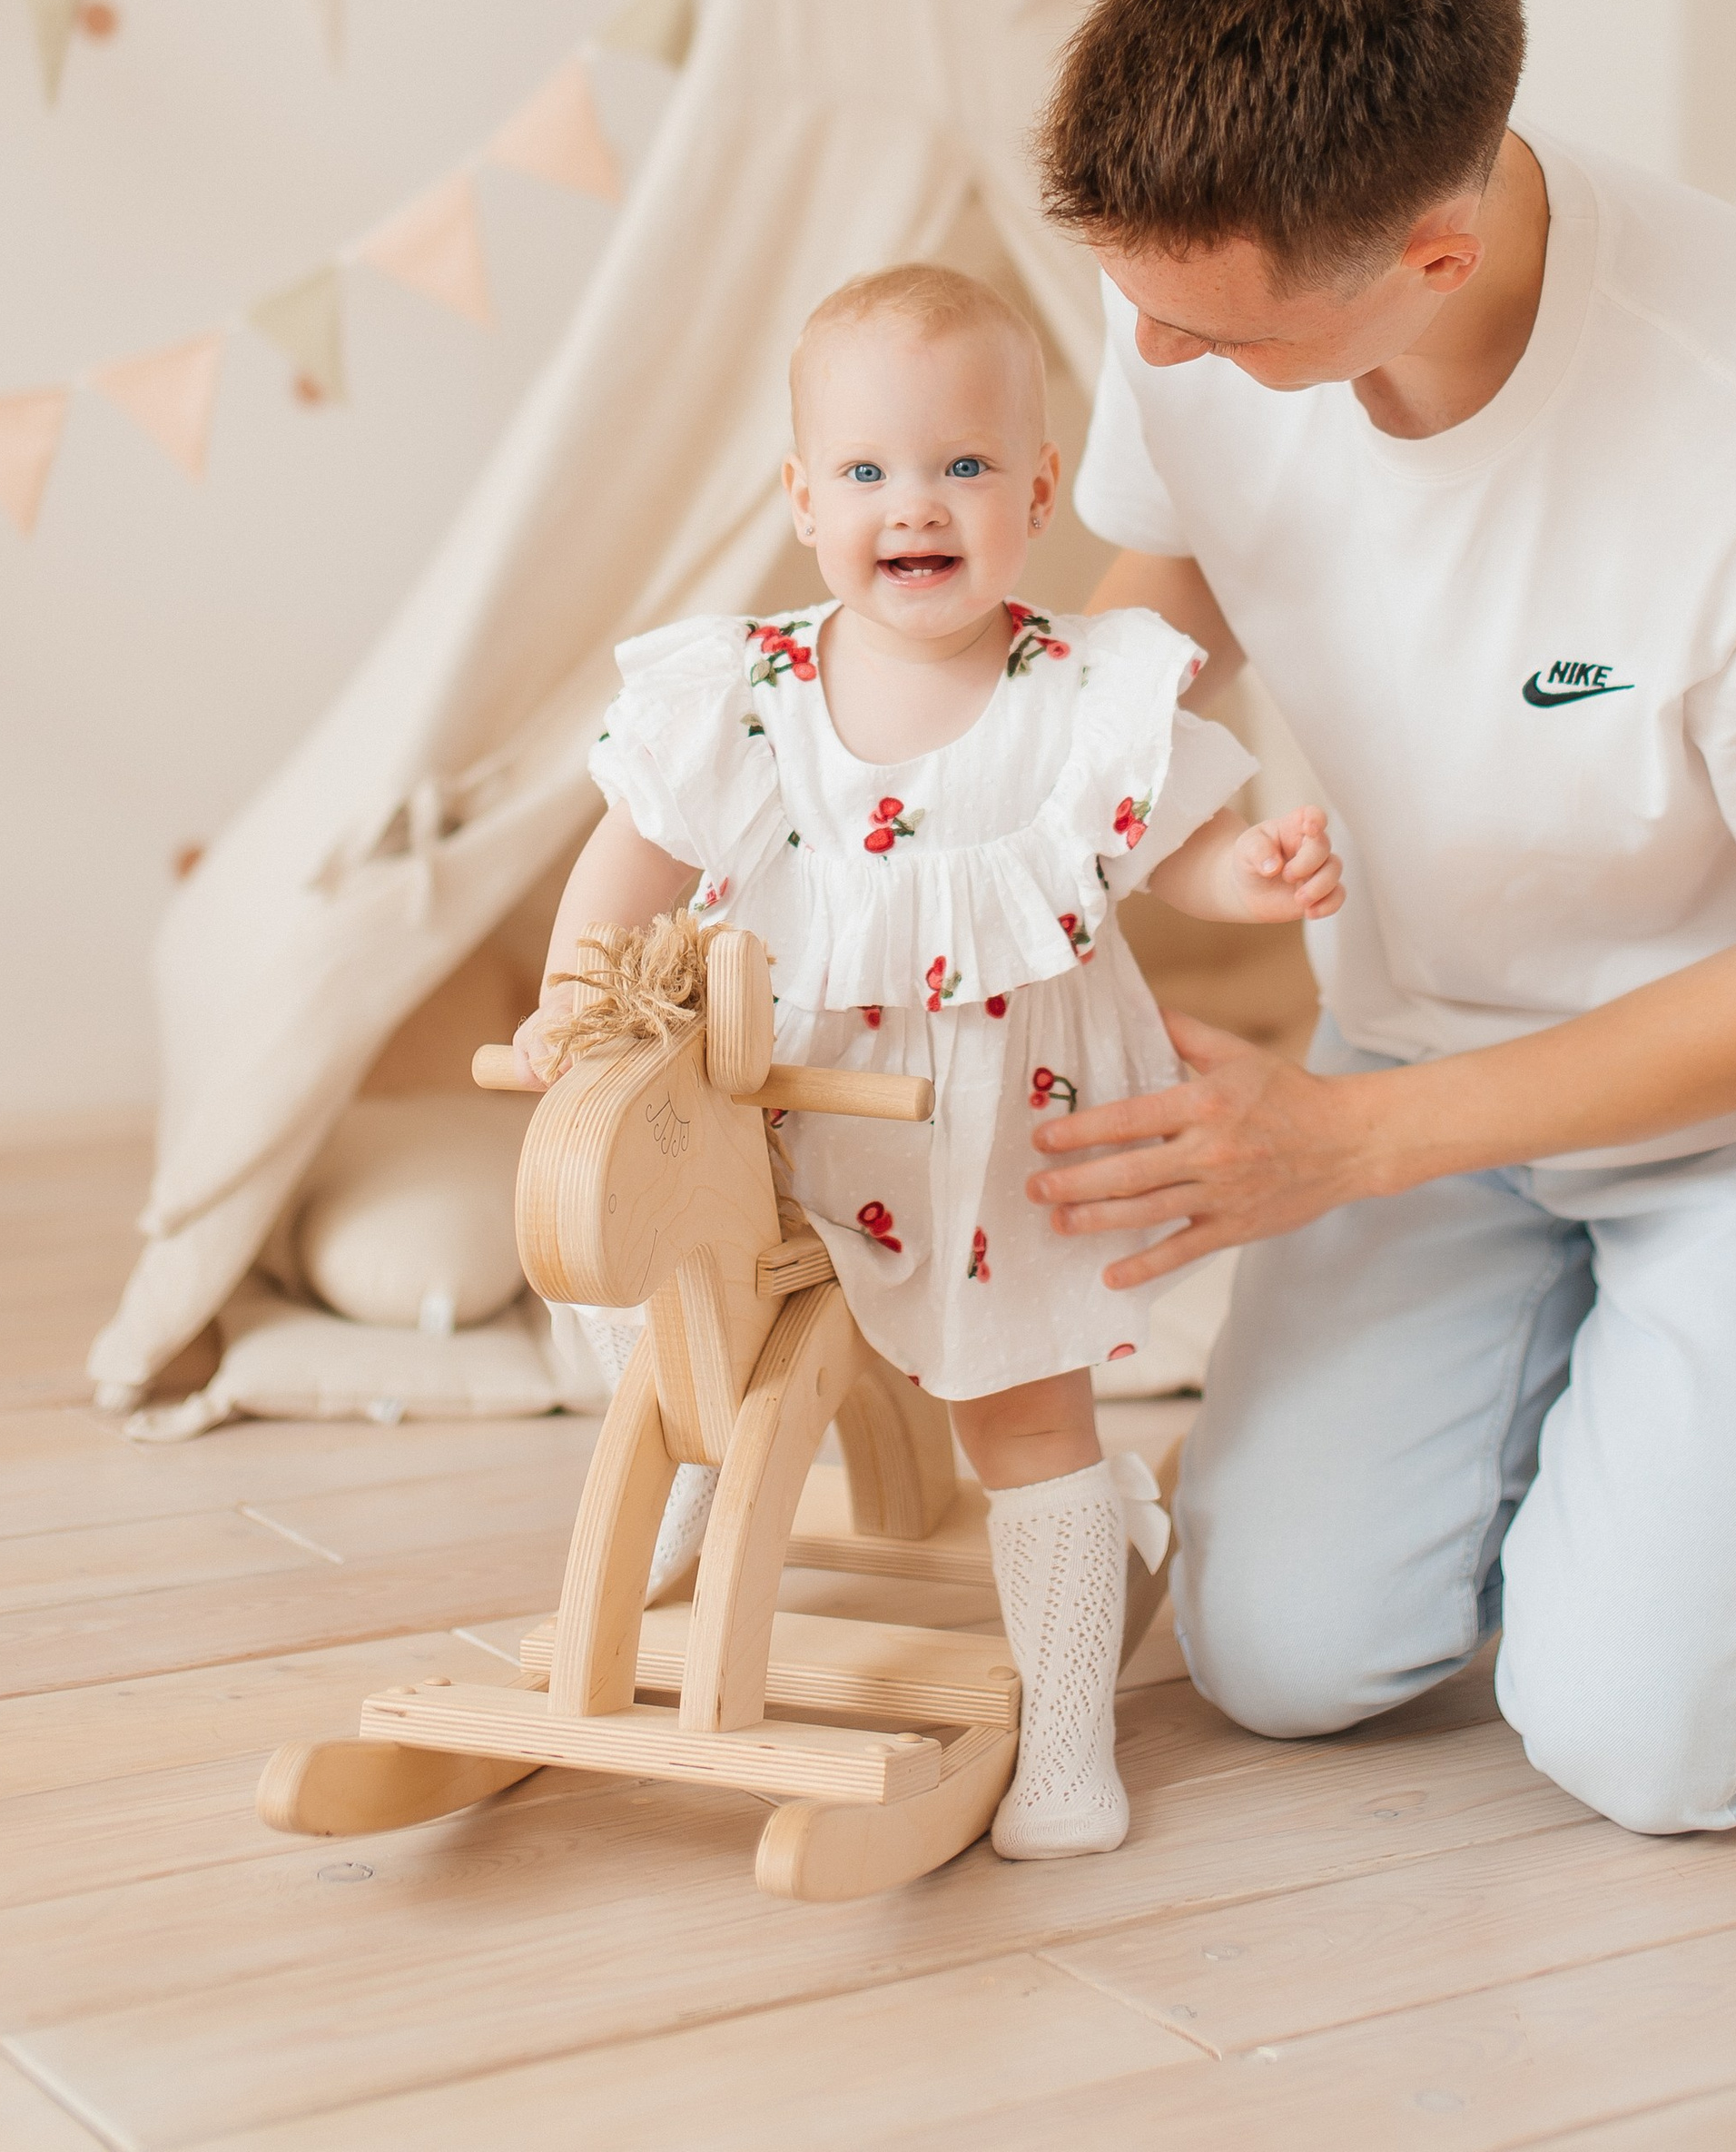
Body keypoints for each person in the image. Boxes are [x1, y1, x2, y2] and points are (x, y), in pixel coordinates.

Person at [1023, 0, 1736, 1838]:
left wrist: (1336, 1149)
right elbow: (1170, 585)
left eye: (1215, 342)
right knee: (1277, 1661)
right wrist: (999, 791)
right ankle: (1663, 1393)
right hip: (1418, 1031)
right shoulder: (1193, 283)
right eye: (1137, 312)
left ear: (1430, 259)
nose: (1155, 367)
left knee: (1646, 1752)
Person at [511, 262, 1342, 1857]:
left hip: (995, 1150)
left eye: (967, 467)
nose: (921, 505)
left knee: (1026, 1419)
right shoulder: (744, 695)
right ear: (804, 496)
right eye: (873, 472)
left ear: (1038, 490)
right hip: (782, 1123)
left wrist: (1264, 877)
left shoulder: (1085, 692)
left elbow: (1189, 852)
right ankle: (689, 1479)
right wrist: (576, 1000)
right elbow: (629, 861)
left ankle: (1072, 1747)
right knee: (678, 1297)